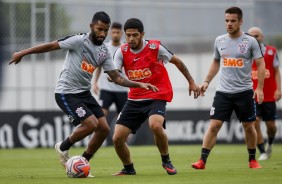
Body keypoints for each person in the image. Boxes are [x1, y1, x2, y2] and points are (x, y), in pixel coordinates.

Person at [9, 12, 158, 177]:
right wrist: (22, 53)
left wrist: (138, 84)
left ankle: (81, 163)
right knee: (91, 124)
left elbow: (116, 77)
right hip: (66, 92)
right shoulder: (79, 41)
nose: (102, 34)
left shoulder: (103, 51)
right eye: (99, 29)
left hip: (84, 93)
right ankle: (63, 147)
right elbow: (51, 46)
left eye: (105, 30)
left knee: (103, 129)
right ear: (91, 27)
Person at [111, 18, 200, 176]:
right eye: (128, 35)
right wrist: (114, 76)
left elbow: (177, 62)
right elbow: (116, 76)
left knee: (156, 125)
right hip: (134, 99)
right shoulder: (121, 52)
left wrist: (191, 82)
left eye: (135, 35)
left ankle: (166, 160)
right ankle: (128, 168)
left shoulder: (155, 47)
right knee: (117, 138)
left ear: (142, 34)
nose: (131, 39)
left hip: (157, 94)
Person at [191, 7, 265, 169]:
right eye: (227, 21)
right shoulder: (220, 40)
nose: (229, 24)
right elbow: (216, 62)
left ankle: (252, 159)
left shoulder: (250, 41)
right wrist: (206, 82)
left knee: (248, 126)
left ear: (240, 21)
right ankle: (202, 160)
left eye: (233, 21)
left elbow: (260, 64)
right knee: (214, 125)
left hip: (244, 92)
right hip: (223, 92)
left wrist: (259, 88)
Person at [248, 27, 281, 161]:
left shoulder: (271, 51)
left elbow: (277, 71)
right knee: (255, 121)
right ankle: (262, 151)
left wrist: (278, 89)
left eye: (257, 36)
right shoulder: (245, 53)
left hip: (268, 95)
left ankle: (270, 143)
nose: (254, 38)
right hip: (252, 94)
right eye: (252, 36)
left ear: (262, 37)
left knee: (271, 125)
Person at [93, 22, 128, 119]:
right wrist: (95, 83)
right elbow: (99, 66)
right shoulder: (104, 47)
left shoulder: (126, 49)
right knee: (101, 114)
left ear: (121, 33)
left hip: (122, 89)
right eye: (113, 32)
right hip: (106, 89)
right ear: (109, 33)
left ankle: (120, 134)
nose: (115, 34)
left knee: (122, 119)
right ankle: (99, 133)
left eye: (118, 32)